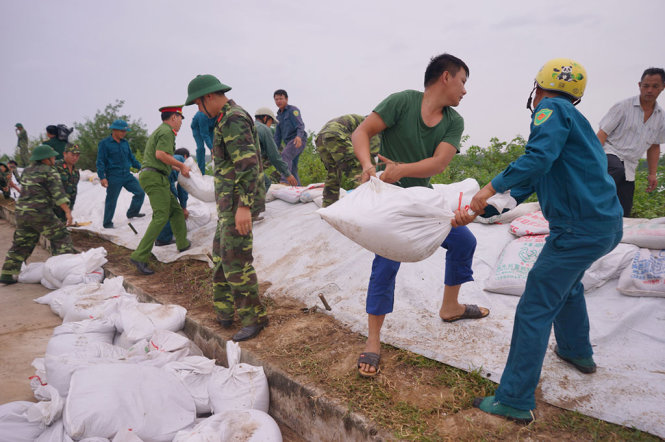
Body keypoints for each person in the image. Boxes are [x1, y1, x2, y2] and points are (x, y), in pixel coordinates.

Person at [463, 59, 623, 423]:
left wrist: (489, 188)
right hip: (605, 227)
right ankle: (575, 350)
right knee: (567, 285)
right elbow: (541, 174)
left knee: (536, 303)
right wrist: (493, 208)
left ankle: (516, 400)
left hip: (576, 230)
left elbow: (537, 158)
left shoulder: (550, 109)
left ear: (537, 89)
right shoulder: (576, 121)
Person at [352, 53, 489, 378]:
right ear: (446, 77)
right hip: (391, 201)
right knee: (386, 262)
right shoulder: (402, 103)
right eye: (463, 81)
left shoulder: (453, 121)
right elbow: (361, 133)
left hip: (422, 198)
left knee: (463, 242)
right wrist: (369, 167)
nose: (465, 91)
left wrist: (399, 171)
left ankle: (450, 307)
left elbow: (439, 163)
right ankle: (373, 341)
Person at [185, 74, 268, 342]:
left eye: (198, 105)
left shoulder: (233, 119)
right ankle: (224, 312)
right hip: (228, 206)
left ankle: (254, 319)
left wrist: (243, 206)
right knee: (221, 257)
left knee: (236, 262)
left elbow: (247, 163)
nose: (199, 111)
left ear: (209, 97)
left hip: (236, 206)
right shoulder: (225, 119)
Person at [0, 145, 76, 285]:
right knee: (61, 236)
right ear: (46, 159)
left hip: (22, 212)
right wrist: (67, 212)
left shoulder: (27, 171)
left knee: (22, 242)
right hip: (40, 212)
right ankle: (64, 270)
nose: (54, 158)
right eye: (52, 156)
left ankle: (8, 273)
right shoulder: (49, 171)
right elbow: (58, 194)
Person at [129, 106, 191, 275]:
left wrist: (177, 168)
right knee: (161, 216)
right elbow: (160, 155)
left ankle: (182, 243)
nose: (181, 122)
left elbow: (164, 158)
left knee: (176, 211)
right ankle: (140, 256)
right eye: (180, 118)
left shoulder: (162, 131)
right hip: (155, 178)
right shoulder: (167, 132)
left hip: (159, 177)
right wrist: (181, 165)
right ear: (173, 118)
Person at [597, 67, 665, 217]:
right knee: (615, 171)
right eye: (646, 86)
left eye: (655, 86)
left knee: (624, 209)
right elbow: (602, 134)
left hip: (630, 165)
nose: (649, 90)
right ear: (639, 85)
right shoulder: (623, 107)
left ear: (662, 88)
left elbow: (654, 146)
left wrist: (652, 174)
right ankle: (587, 201)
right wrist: (590, 158)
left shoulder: (660, 117)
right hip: (609, 154)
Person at [316, 114, 380, 207]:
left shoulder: (358, 120)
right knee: (359, 171)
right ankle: (365, 207)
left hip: (321, 137)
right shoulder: (372, 125)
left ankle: (328, 207)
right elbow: (373, 152)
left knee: (333, 174)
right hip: (336, 134)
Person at [96, 119, 146, 229]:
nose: (124, 133)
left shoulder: (125, 143)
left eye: (125, 131)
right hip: (113, 176)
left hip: (127, 175)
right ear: (114, 130)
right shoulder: (105, 144)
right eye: (122, 131)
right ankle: (107, 223)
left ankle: (132, 212)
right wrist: (102, 177)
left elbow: (131, 158)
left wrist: (142, 167)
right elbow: (100, 162)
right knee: (111, 200)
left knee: (140, 192)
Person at [254, 107, 298, 189]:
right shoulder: (264, 129)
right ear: (265, 118)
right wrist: (287, 174)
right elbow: (274, 156)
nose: (270, 125)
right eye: (271, 122)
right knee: (265, 184)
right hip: (250, 167)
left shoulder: (249, 126)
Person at [155, 147, 190, 246]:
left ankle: (158, 234)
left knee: (161, 209)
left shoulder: (171, 158)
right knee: (172, 210)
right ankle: (163, 239)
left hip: (153, 179)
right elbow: (182, 186)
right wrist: (183, 207)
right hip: (165, 181)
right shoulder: (182, 160)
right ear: (186, 156)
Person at [273, 89, 306, 185]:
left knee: (285, 155)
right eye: (276, 99)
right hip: (289, 143)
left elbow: (300, 125)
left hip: (298, 140)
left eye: (281, 98)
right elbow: (277, 136)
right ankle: (298, 189)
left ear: (286, 99)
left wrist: (299, 136)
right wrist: (273, 148)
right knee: (293, 167)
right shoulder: (278, 116)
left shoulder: (293, 110)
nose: (278, 101)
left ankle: (284, 181)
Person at [54, 144, 81, 223]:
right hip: (53, 208)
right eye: (72, 155)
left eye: (77, 155)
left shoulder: (76, 172)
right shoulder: (55, 166)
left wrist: (69, 209)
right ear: (64, 154)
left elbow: (73, 191)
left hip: (65, 210)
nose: (75, 158)